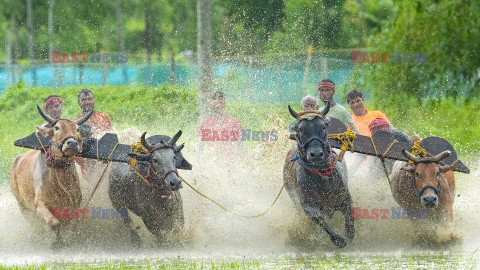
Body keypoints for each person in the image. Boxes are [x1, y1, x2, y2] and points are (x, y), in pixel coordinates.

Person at [196, 91, 244, 156]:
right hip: (211, 162)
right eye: (215, 104)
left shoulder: (233, 122)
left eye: (220, 102)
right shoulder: (204, 124)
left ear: (224, 105)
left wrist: (244, 160)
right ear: (210, 105)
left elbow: (241, 145)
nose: (218, 105)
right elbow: (200, 146)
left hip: (230, 162)